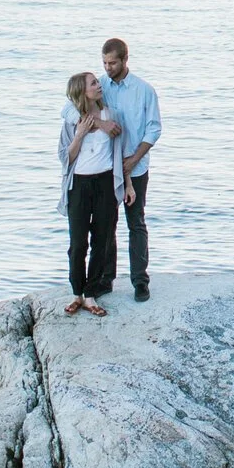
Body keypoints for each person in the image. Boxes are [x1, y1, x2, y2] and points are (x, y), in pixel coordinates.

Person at [59, 70, 132, 315]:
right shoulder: (72, 121)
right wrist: (79, 135)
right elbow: (65, 159)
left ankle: (91, 295)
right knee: (78, 243)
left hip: (105, 183)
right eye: (93, 83)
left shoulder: (112, 117)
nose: (98, 84)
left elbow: (121, 154)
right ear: (83, 92)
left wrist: (128, 184)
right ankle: (76, 293)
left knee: (102, 240)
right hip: (78, 185)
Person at [99, 37, 162, 302]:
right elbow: (71, 109)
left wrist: (134, 159)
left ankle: (140, 281)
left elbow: (154, 128)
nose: (107, 68)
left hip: (136, 166)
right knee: (106, 224)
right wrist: (102, 126)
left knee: (135, 222)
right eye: (104, 63)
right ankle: (105, 279)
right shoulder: (99, 86)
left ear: (125, 60)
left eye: (112, 63)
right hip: (106, 165)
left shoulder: (144, 90)